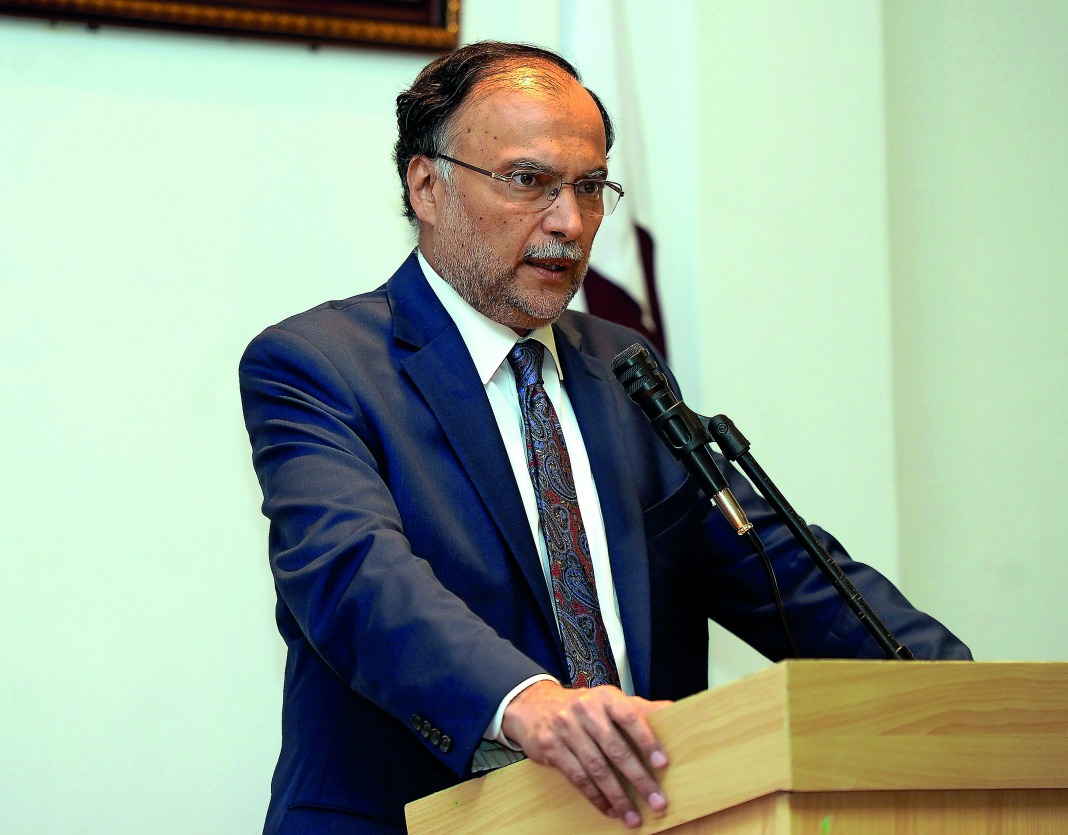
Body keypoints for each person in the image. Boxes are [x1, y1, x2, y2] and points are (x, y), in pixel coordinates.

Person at [239, 40, 970, 835]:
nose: (569, 222)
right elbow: (358, 577)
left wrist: (960, 693)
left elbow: (771, 561)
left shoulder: (623, 366)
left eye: (590, 188)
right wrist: (528, 702)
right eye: (529, 181)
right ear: (427, 185)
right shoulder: (318, 364)